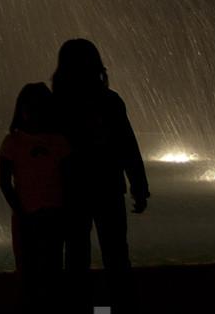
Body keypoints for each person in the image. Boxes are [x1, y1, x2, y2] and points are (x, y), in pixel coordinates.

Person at [49, 39, 147, 295]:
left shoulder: (56, 104)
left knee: (75, 254)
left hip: (73, 188)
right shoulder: (110, 101)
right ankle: (123, 312)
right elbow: (128, 145)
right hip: (107, 185)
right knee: (116, 253)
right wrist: (139, 184)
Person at [0, 81, 70, 314]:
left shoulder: (58, 142)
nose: (33, 114)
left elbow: (69, 178)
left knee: (51, 266)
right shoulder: (13, 142)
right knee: (31, 267)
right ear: (20, 111)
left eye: (39, 109)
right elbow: (4, 183)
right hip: (28, 217)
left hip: (51, 215)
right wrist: (21, 211)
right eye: (29, 109)